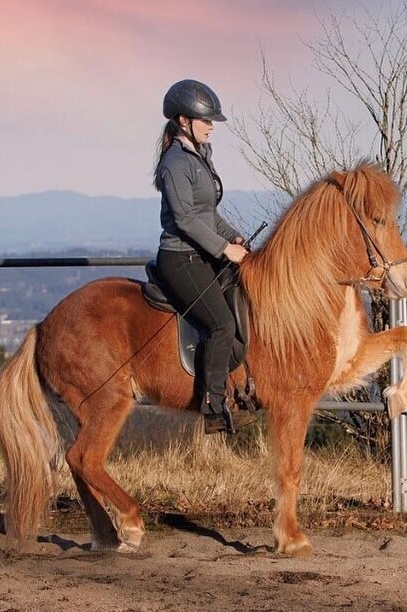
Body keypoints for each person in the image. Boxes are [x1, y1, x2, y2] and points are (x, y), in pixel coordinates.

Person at [153, 79, 249, 434]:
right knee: (221, 324)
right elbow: (185, 219)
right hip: (181, 258)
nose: (211, 126)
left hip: (203, 252)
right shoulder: (176, 163)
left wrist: (233, 236)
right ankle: (212, 405)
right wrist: (225, 249)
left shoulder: (200, 156)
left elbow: (209, 214)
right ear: (183, 121)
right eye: (206, 120)